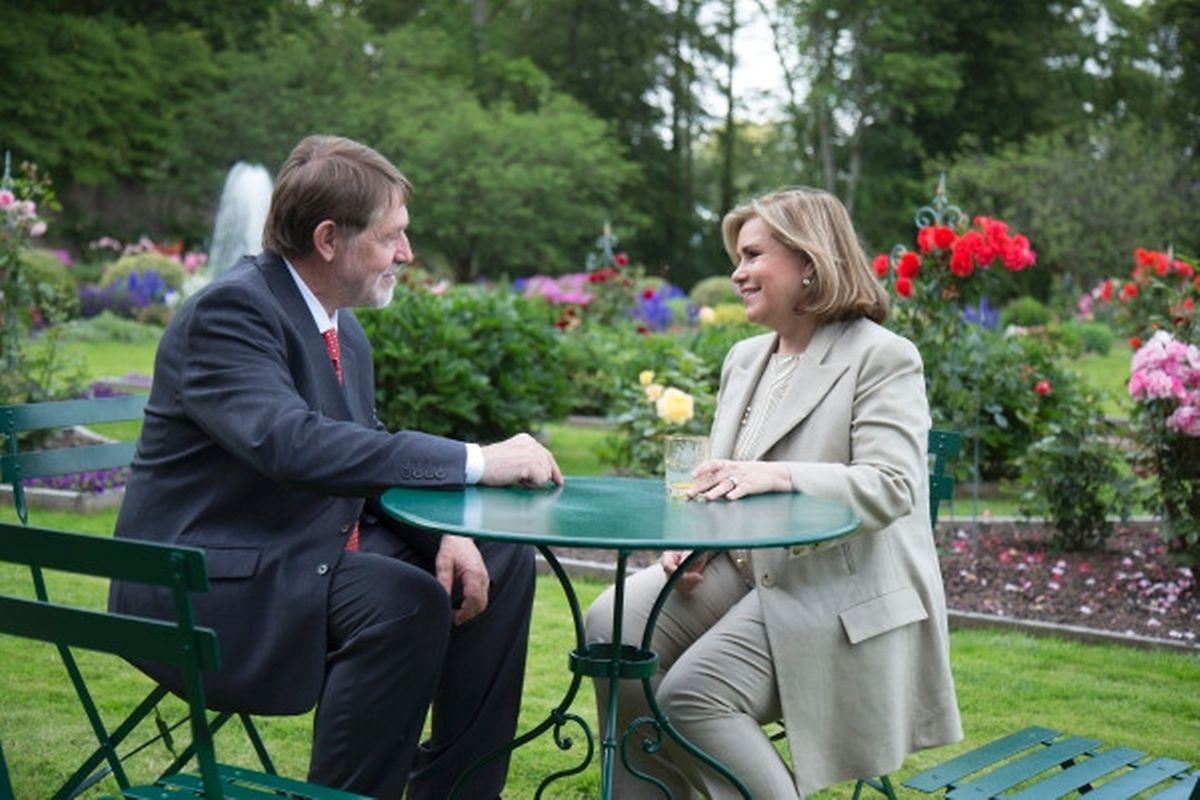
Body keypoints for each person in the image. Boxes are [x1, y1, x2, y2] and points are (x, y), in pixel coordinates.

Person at [109, 134, 562, 799]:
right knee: (403, 602)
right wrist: (477, 460)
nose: (407, 253)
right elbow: (294, 446)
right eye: (391, 237)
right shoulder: (228, 313)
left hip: (299, 549)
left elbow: (361, 454)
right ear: (329, 239)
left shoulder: (341, 325)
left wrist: (447, 534)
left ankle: (459, 792)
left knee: (502, 559)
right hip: (204, 581)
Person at [585, 187, 962, 798]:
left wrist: (782, 475)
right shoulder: (744, 358)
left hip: (839, 586)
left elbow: (892, 487)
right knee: (612, 625)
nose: (737, 273)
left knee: (692, 698)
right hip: (746, 568)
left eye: (753, 255)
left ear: (809, 262)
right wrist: (694, 542)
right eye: (737, 258)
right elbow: (724, 481)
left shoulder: (882, 357)